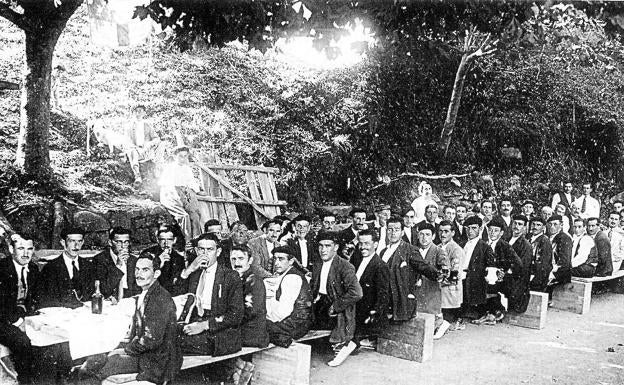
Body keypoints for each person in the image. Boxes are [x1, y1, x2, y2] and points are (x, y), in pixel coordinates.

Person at [82, 252, 182, 384]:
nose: (139, 274)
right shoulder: (146, 293)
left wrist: (125, 350)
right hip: (145, 353)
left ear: (156, 274)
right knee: (92, 361)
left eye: (145, 270)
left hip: (156, 361)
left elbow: (150, 340)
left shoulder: (160, 298)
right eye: (137, 269)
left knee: (96, 371)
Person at [175, 233, 243, 356]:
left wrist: (205, 325)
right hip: (195, 323)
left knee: (174, 344)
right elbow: (176, 296)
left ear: (218, 252)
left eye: (210, 250)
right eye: (201, 249)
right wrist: (189, 269)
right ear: (196, 251)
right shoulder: (194, 273)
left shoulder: (230, 276)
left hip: (219, 331)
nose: (205, 254)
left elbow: (235, 314)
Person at [310, 232, 362, 367]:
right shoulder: (317, 263)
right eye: (321, 246)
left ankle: (347, 344)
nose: (323, 250)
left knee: (339, 328)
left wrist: (336, 306)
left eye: (328, 246)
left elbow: (357, 293)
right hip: (320, 302)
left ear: (336, 247)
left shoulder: (345, 266)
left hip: (337, 304)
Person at [379, 216, 440, 322]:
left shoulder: (409, 250)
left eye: (397, 230)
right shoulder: (383, 252)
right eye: (390, 230)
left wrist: (438, 275)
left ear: (402, 232)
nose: (393, 233)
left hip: (399, 296)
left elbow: (423, 266)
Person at [0, 234, 39, 384]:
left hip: (20, 316)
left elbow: (35, 299)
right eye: (21, 248)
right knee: (22, 341)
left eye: (29, 249)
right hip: (2, 318)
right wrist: (18, 322)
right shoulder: (2, 269)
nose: (25, 254)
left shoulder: (33, 269)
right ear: (11, 249)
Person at [473, 217, 523, 325]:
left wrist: (505, 272)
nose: (492, 233)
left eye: (496, 230)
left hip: (501, 279)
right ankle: (487, 313)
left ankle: (494, 313)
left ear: (501, 233)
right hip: (486, 275)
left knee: (491, 288)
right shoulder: (483, 244)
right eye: (490, 230)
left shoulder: (505, 246)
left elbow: (518, 263)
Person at [265, 246, 313, 348]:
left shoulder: (292, 278)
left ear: (291, 261)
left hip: (296, 324)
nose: (276, 263)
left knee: (254, 325)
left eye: (281, 259)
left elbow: (282, 313)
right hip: (296, 321)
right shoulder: (286, 274)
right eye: (275, 259)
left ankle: (284, 340)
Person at [350, 230, 391, 349]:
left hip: (365, 312)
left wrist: (375, 313)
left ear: (376, 244)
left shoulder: (380, 266)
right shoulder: (356, 259)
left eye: (367, 244)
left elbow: (383, 294)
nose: (363, 247)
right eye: (361, 243)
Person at [38, 227, 95, 308]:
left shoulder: (88, 266)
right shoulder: (51, 268)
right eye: (72, 241)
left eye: (79, 241)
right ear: (63, 242)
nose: (76, 245)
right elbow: (46, 299)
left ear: (83, 242)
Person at [159, 146, 205, 241]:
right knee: (184, 216)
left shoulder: (186, 168)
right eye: (180, 156)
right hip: (169, 195)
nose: (183, 159)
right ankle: (188, 242)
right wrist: (177, 199)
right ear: (175, 156)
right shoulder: (170, 168)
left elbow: (191, 182)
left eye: (185, 156)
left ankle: (197, 240)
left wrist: (197, 191)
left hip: (184, 194)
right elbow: (168, 186)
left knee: (195, 216)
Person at [229, 245, 269, 348]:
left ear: (250, 260)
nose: (236, 263)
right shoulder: (236, 278)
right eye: (233, 259)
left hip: (252, 333)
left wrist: (226, 321)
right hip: (242, 330)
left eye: (241, 259)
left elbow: (250, 312)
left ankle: (239, 363)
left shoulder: (254, 280)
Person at [414, 223, 449, 330]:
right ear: (417, 235)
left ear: (433, 236)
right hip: (417, 289)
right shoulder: (413, 250)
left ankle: (441, 324)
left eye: (428, 234)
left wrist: (440, 275)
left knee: (432, 318)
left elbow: (445, 269)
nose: (424, 238)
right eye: (421, 234)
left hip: (432, 289)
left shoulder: (439, 252)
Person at [460, 216, 496, 321]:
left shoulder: (485, 247)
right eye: (468, 228)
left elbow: (490, 267)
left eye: (474, 228)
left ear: (480, 229)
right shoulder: (462, 244)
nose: (470, 231)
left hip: (476, 279)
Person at [93, 227, 141, 302]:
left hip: (130, 298)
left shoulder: (134, 260)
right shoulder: (99, 260)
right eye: (119, 242)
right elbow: (104, 290)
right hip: (110, 299)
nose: (123, 246)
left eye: (126, 242)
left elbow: (139, 287)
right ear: (110, 242)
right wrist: (118, 266)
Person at [124, 105, 167, 186]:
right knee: (131, 151)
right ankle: (137, 176)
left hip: (147, 150)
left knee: (162, 144)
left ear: (144, 113)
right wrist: (136, 148)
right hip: (136, 151)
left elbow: (156, 138)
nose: (138, 113)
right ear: (132, 113)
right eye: (136, 111)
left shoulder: (147, 125)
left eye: (140, 111)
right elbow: (127, 141)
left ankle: (157, 169)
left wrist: (149, 144)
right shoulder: (129, 126)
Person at [437, 220, 466, 337]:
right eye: (440, 231)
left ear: (453, 233)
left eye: (446, 231)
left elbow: (455, 275)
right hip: (439, 289)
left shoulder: (456, 249)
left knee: (447, 317)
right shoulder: (438, 247)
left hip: (450, 290)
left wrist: (438, 281)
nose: (443, 234)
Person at [142, 225, 186, 294]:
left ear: (174, 240)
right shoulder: (148, 253)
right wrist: (158, 261)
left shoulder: (179, 258)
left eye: (169, 239)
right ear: (157, 240)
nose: (166, 243)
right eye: (162, 239)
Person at [507, 215, 532, 312]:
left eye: (520, 224)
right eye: (514, 223)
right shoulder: (506, 239)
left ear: (525, 228)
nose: (516, 226)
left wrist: (506, 271)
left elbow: (523, 267)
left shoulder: (526, 245)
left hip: (516, 279)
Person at [546, 215, 573, 286]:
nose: (552, 227)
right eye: (550, 224)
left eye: (555, 224)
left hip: (559, 275)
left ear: (561, 225)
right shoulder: (548, 237)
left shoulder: (564, 238)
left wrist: (553, 274)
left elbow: (564, 262)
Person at [528, 217, 553, 292]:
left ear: (543, 227)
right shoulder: (528, 238)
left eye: (538, 225)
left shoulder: (544, 241)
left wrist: (536, 279)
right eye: (533, 224)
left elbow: (544, 264)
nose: (535, 227)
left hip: (537, 278)